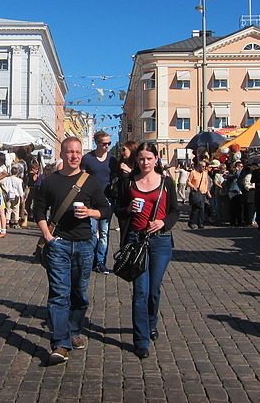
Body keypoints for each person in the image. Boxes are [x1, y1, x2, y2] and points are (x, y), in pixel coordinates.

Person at [35, 137, 111, 365]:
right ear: (62, 153)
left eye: (77, 152)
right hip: (58, 244)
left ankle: (74, 329)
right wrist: (48, 237)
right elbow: (38, 210)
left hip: (85, 244)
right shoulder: (51, 181)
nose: (74, 156)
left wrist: (91, 213)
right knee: (59, 294)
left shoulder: (90, 182)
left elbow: (106, 209)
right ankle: (60, 343)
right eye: (70, 152)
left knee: (79, 294)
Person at [115, 142, 178, 359]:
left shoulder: (167, 183)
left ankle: (151, 323)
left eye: (149, 158)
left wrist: (163, 223)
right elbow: (118, 208)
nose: (145, 162)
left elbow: (175, 212)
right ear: (136, 160)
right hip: (137, 239)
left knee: (154, 289)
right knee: (140, 291)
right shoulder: (129, 182)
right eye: (141, 158)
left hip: (160, 241)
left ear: (156, 159)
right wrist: (127, 209)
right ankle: (141, 340)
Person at [80, 131, 119, 275]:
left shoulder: (112, 160)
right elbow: (82, 178)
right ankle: (89, 259)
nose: (107, 146)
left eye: (109, 143)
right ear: (97, 143)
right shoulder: (87, 158)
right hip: (90, 199)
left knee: (104, 232)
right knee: (90, 231)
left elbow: (115, 178)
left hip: (107, 200)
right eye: (104, 143)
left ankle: (100, 261)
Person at [186, 160, 210, 229]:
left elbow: (206, 182)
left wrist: (206, 190)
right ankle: (191, 222)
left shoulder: (204, 173)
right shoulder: (193, 172)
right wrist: (193, 187)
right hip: (196, 192)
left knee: (202, 209)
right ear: (199, 166)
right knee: (195, 208)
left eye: (205, 166)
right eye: (202, 166)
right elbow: (188, 182)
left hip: (203, 193)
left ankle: (200, 223)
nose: (204, 168)